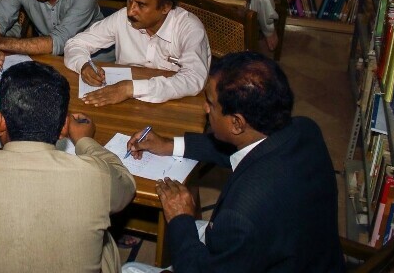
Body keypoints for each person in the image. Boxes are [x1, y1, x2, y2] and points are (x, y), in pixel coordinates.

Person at [123, 51, 345, 273]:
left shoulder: (239, 218)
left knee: (129, 269)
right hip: (306, 255)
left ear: (237, 123)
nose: (205, 108)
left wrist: (180, 218)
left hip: (242, 256)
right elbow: (237, 152)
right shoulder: (305, 129)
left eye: (210, 102)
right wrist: (170, 145)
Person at [0, 61, 136, 273]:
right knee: (105, 241)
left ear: (0, 123)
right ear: (64, 126)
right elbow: (126, 185)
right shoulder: (94, 176)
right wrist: (85, 141)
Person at [64, 0, 210, 105]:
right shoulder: (122, 18)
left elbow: (193, 79)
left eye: (141, 5)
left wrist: (130, 88)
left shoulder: (189, 28)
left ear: (165, 7)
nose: (130, 12)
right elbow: (75, 44)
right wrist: (83, 65)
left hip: (175, 104)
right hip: (124, 103)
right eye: (129, 1)